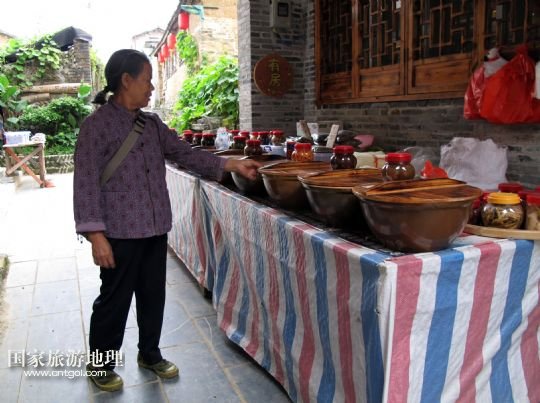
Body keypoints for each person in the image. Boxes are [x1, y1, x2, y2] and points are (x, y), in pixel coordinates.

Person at [73, 49, 260, 392]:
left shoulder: (152, 125)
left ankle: (150, 353)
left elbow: (184, 154)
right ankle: (101, 364)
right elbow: (85, 184)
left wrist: (229, 164)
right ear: (126, 81)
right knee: (114, 300)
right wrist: (96, 235)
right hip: (119, 232)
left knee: (152, 295)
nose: (152, 88)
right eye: (147, 80)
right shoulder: (95, 127)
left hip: (155, 227)